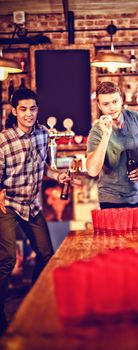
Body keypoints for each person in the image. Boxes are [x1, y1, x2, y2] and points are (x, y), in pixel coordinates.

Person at [0, 88, 77, 335]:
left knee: (46, 254)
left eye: (33, 108)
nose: (29, 114)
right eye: (23, 109)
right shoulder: (3, 140)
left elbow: (42, 167)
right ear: (14, 111)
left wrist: (58, 175)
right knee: (7, 260)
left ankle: (32, 302)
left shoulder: (43, 134)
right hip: (7, 204)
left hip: (30, 205)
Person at [86, 81, 138, 209]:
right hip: (110, 199)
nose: (112, 107)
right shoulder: (96, 131)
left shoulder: (136, 118)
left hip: (137, 196)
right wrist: (106, 134)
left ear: (121, 99)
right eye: (106, 104)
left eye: (115, 101)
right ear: (99, 105)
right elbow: (92, 171)